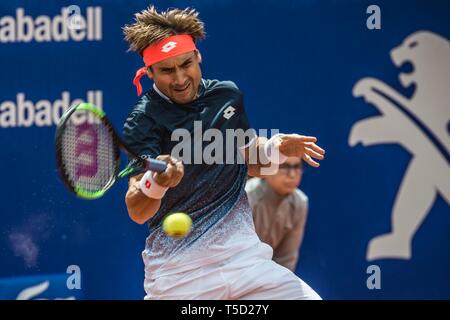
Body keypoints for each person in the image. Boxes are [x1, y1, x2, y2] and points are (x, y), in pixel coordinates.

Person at [122, 6, 325, 300]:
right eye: (167, 70)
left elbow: (247, 161)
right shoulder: (143, 119)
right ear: (149, 71)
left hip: (247, 264)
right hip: (180, 276)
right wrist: (157, 183)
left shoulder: (226, 96)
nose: (180, 78)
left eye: (186, 64)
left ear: (198, 57)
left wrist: (277, 148)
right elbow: (136, 210)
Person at [246, 157, 308, 272]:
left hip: (267, 278)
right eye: (285, 166)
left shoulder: (300, 202)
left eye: (296, 167)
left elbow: (286, 261)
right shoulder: (247, 197)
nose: (292, 174)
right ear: (267, 168)